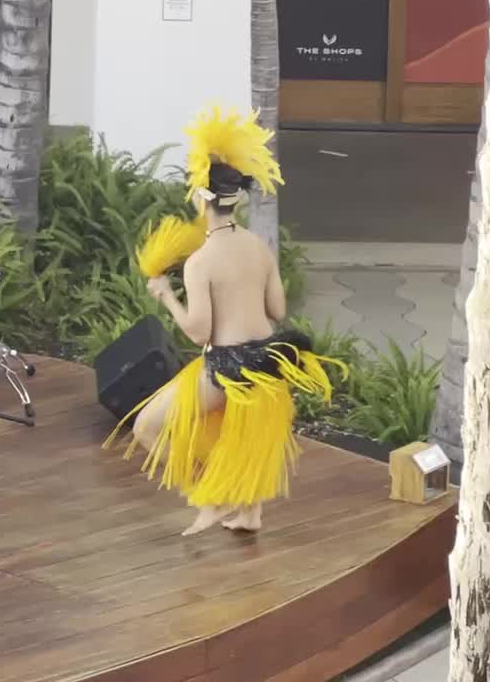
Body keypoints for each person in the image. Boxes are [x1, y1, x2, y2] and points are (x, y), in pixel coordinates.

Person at [105, 107, 346, 536]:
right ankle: (250, 515)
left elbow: (198, 331)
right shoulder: (258, 246)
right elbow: (277, 310)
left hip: (229, 367)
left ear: (201, 198)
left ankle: (213, 498)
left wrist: (167, 296)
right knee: (231, 437)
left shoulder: (201, 261)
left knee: (148, 426)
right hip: (271, 362)